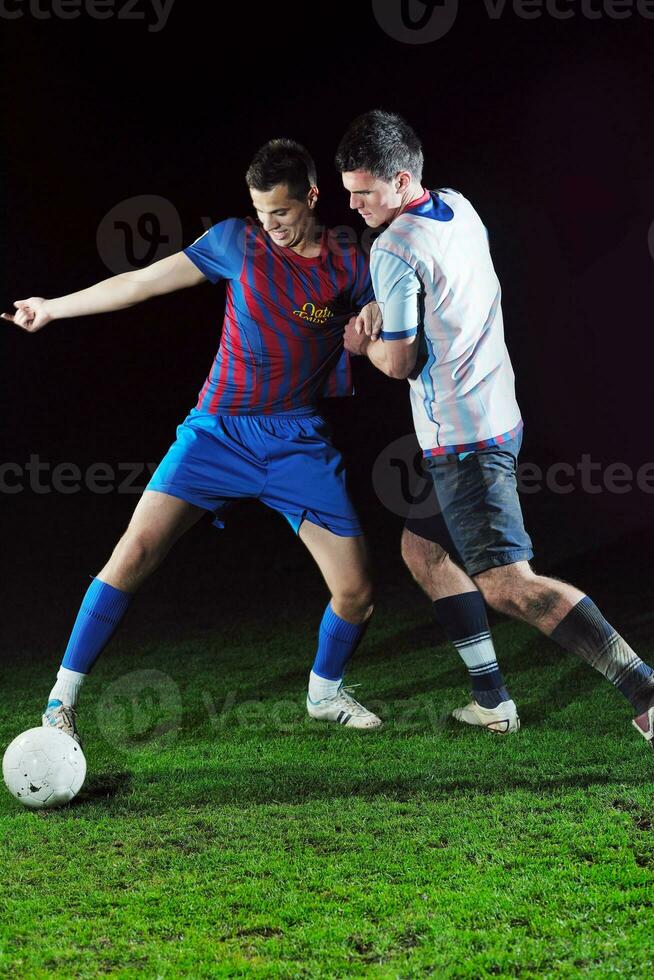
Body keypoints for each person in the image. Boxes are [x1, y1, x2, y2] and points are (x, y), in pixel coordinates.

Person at [3, 138, 384, 744]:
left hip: (296, 442)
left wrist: (374, 326)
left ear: (312, 196)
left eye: (281, 212)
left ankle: (324, 692)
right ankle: (60, 702)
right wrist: (53, 308)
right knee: (133, 552)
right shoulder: (237, 242)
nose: (270, 225)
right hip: (217, 432)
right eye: (260, 212)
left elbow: (384, 334)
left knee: (357, 590)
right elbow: (143, 282)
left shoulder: (352, 260)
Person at [334, 110, 654, 745]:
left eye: (364, 191)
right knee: (423, 552)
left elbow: (398, 362)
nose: (354, 203)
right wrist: (381, 305)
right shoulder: (455, 206)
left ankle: (645, 691)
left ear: (400, 183)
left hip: (462, 441)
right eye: (347, 190)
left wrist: (357, 342)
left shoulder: (392, 246)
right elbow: (445, 290)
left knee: (511, 585)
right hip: (495, 417)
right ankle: (492, 702)